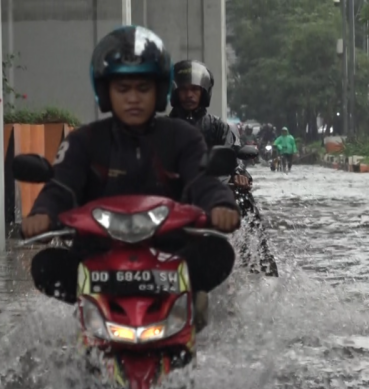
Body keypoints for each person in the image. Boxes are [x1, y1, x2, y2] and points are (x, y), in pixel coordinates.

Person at [21, 26, 239, 331]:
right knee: (46, 266)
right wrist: (43, 214)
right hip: (98, 252)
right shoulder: (83, 141)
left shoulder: (183, 137)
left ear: (159, 91)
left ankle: (187, 308)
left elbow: (202, 180)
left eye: (143, 88)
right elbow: (61, 185)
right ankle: (89, 327)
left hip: (169, 251)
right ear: (105, 91)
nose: (133, 98)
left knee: (218, 253)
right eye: (123, 89)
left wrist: (221, 205)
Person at [169, 60, 278, 277]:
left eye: (194, 90)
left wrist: (239, 174)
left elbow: (234, 155)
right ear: (175, 92)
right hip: (173, 192)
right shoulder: (162, 128)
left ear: (204, 93)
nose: (189, 95)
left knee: (245, 200)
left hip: (212, 191)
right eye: (184, 90)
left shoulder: (218, 126)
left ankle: (260, 262)